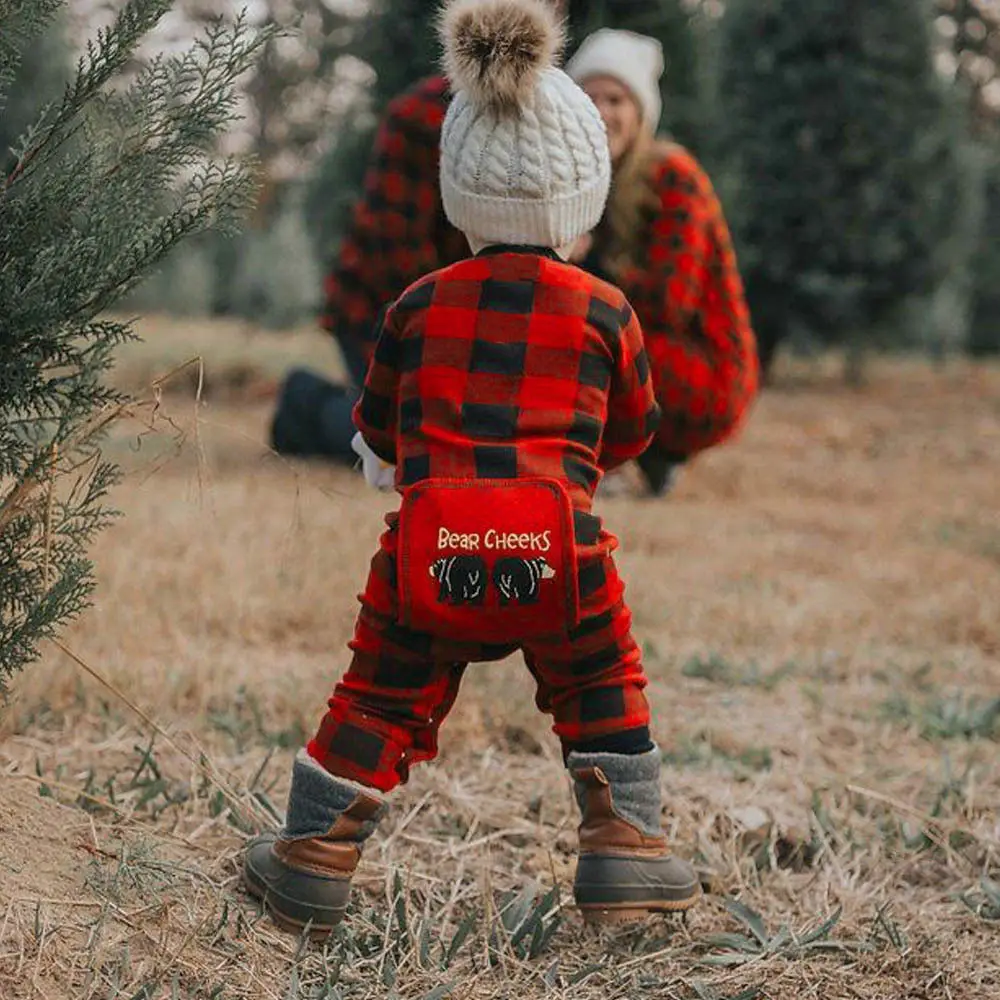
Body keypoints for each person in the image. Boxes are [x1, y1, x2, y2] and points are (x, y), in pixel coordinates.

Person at [243, 0, 702, 933]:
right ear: (582, 205)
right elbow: (637, 428)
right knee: (602, 687)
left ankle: (314, 855)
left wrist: (391, 456)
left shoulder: (416, 304)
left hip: (432, 544)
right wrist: (583, 468)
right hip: (561, 549)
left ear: (462, 200)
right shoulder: (607, 312)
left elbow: (376, 422)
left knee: (377, 693)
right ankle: (625, 849)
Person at [566, 29, 759, 494]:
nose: (601, 112)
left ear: (640, 112)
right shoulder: (585, 182)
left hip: (707, 371)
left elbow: (667, 303)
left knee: (577, 327)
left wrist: (587, 263)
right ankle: (649, 458)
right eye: (589, 98)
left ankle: (618, 457)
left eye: (616, 100)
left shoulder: (674, 176)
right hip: (654, 357)